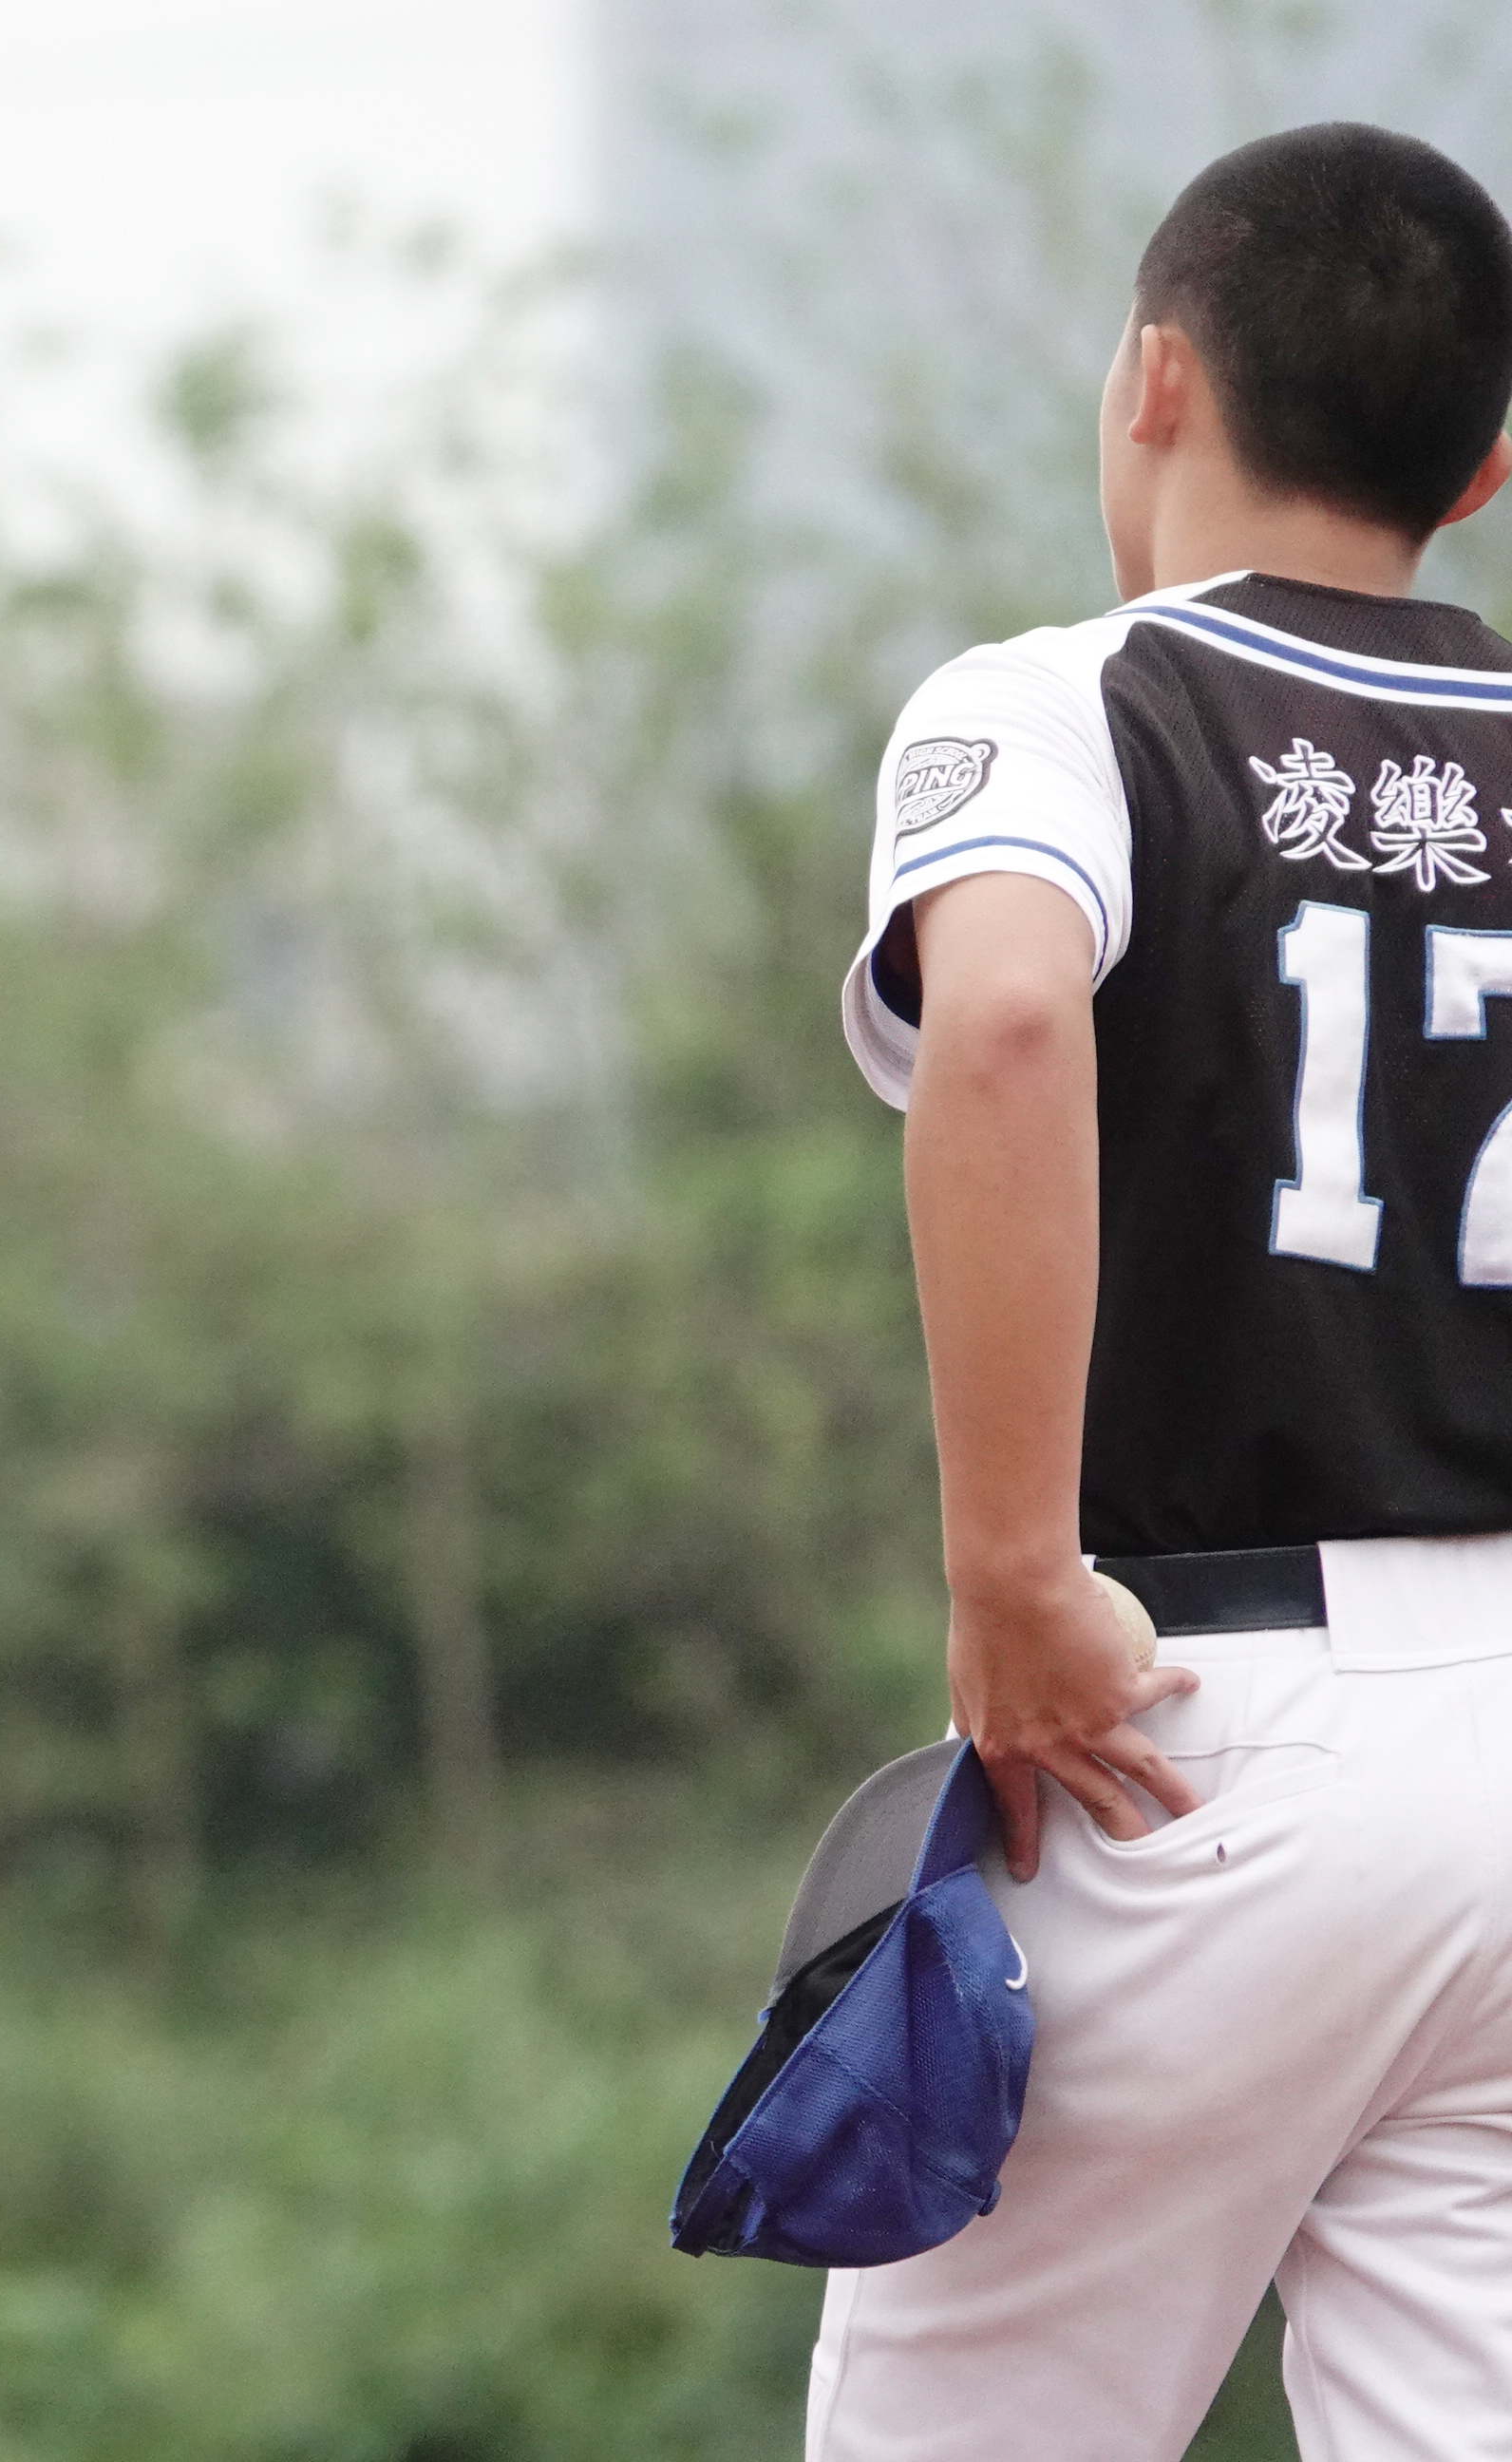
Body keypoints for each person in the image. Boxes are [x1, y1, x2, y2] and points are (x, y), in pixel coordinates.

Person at [823, 121, 1512, 2454]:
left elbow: (1008, 1023)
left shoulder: (1067, 702)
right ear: (1484, 470)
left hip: (1194, 1722)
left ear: (1152, 380)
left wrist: (1010, 1572)